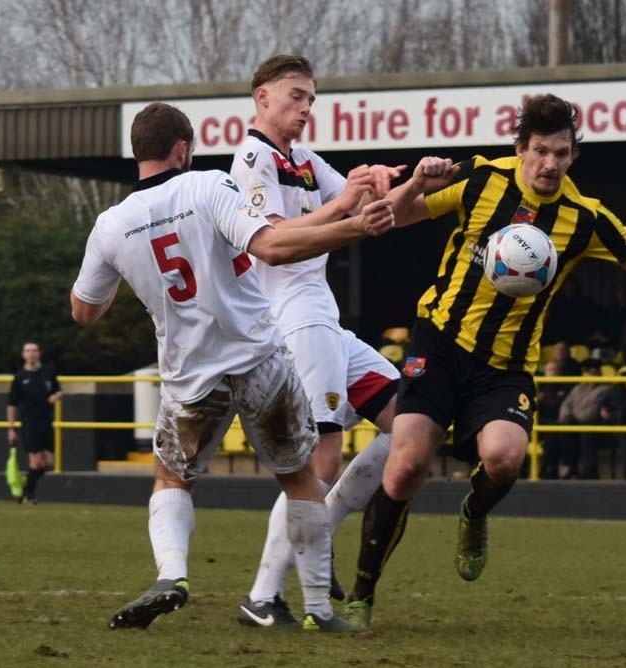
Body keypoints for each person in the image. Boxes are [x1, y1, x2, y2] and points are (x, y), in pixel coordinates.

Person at [342, 94, 626, 628]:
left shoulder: (585, 218)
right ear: (520, 149)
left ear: (573, 155)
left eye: (561, 152)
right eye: (539, 151)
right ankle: (361, 597)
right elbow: (390, 217)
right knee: (407, 465)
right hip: (438, 342)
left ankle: (474, 512)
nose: (549, 163)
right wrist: (418, 181)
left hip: (504, 367)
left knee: (506, 459)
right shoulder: (480, 178)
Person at [69, 101, 395, 632]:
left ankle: (172, 574)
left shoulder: (111, 225)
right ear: (183, 149)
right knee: (300, 478)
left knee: (173, 477)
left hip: (188, 375)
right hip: (259, 358)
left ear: (137, 153)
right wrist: (356, 227)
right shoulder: (207, 186)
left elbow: (84, 311)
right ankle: (318, 608)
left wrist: (125, 281)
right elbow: (271, 246)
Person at [228, 54, 404, 628]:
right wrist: (346, 205)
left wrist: (391, 183)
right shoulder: (254, 158)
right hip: (295, 320)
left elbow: (361, 204)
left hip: (324, 321)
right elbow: (273, 237)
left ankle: (310, 535)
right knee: (321, 458)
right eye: (296, 96)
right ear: (262, 97)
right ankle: (267, 595)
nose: (306, 108)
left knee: (413, 422)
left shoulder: (300, 159)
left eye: (310, 99)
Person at [6, 341, 62, 505]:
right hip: (29, 422)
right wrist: (11, 428)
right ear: (23, 355)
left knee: (49, 463)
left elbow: (58, 390)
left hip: (46, 421)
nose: (31, 353)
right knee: (36, 461)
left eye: (34, 350)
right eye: (28, 351)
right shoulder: (20, 377)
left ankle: (25, 487)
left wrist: (56, 396)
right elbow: (11, 404)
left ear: (39, 353)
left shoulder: (48, 372)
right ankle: (30, 496)